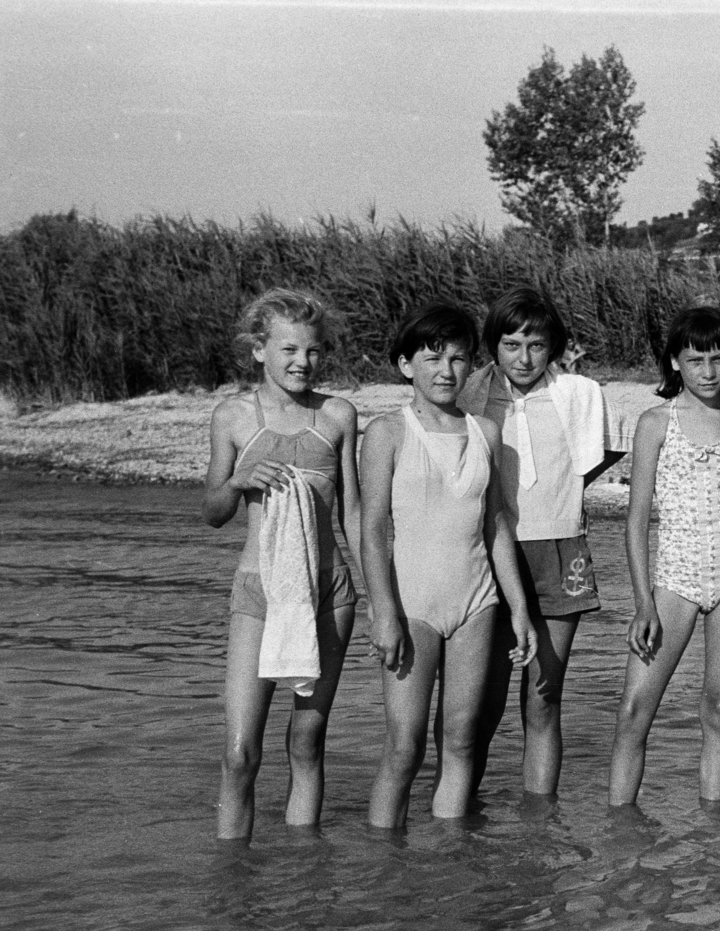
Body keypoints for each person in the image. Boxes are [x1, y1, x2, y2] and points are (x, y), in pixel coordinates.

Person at [362, 304, 534, 828]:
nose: (446, 369)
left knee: (460, 740)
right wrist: (383, 612)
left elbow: (497, 526)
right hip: (412, 605)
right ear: (405, 364)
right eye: (432, 357)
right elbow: (372, 530)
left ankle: (450, 858)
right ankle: (386, 861)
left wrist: (519, 610)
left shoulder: (486, 431)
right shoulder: (387, 432)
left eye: (458, 359)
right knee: (404, 747)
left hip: (477, 604)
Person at [609, 306, 720, 808]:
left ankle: (714, 830)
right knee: (633, 710)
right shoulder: (653, 423)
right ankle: (620, 830)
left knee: (719, 708)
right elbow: (636, 519)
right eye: (694, 360)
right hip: (673, 578)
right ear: (674, 363)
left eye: (718, 358)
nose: (707, 372)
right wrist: (643, 603)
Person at [202, 289, 363, 842]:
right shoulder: (233, 417)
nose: (303, 361)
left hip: (330, 592)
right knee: (241, 752)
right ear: (258, 351)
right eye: (289, 348)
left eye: (314, 351)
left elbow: (357, 515)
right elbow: (213, 513)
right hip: (258, 593)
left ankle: (304, 879)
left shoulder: (339, 415)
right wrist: (238, 481)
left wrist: (381, 603)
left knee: (306, 741)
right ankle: (232, 880)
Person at [458, 288, 629, 801]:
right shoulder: (469, 392)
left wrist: (559, 497)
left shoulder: (578, 392)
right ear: (493, 346)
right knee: (479, 704)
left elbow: (601, 452)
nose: (524, 357)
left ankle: (540, 825)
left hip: (559, 549)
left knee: (543, 696)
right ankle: (463, 816)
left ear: (553, 344)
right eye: (511, 344)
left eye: (536, 344)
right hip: (488, 551)